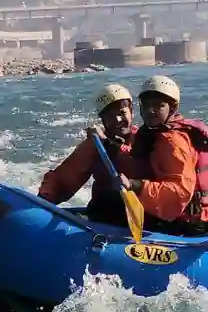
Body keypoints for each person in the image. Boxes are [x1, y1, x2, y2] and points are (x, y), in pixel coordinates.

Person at [121, 75, 208, 236]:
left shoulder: (173, 141)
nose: (149, 111)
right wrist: (114, 145)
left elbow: (178, 194)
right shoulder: (159, 134)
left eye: (158, 106)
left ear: (172, 108)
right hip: (173, 213)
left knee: (107, 208)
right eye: (145, 105)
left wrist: (136, 185)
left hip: (190, 221)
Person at [37, 83, 138, 227]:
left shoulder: (143, 139)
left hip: (138, 218)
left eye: (122, 113)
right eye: (110, 115)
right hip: (104, 217)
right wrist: (42, 202)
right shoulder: (95, 145)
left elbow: (138, 165)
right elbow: (65, 177)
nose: (118, 120)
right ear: (102, 120)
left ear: (131, 111)